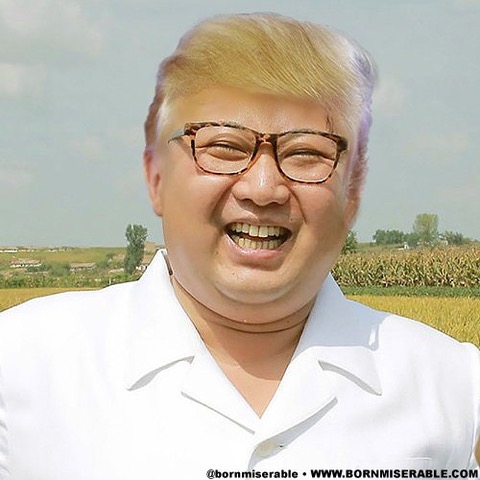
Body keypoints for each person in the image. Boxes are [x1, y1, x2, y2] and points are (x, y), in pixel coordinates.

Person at [0, 13, 479, 479]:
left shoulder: (454, 389)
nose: (263, 188)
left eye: (306, 153)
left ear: (351, 194)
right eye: (224, 147)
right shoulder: (21, 364)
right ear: (155, 178)